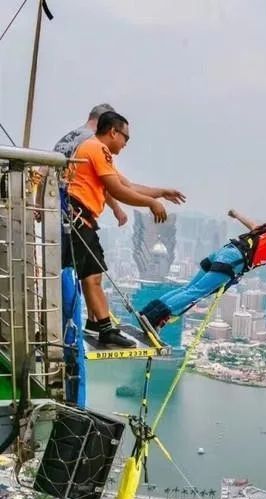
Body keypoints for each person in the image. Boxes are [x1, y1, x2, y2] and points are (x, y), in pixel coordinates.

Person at [62, 110, 186, 348]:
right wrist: (151, 203)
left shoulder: (96, 151)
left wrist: (160, 192)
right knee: (86, 276)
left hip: (81, 220)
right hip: (78, 219)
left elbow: (126, 185)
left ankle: (98, 324)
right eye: (125, 137)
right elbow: (117, 191)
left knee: (93, 276)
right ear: (113, 132)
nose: (126, 143)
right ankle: (105, 328)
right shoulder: (97, 149)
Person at [139, 208, 266, 329]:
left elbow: (251, 225)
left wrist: (235, 214)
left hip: (224, 252)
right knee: (195, 292)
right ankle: (153, 318)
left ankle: (148, 311)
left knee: (189, 288)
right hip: (233, 261)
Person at [52, 102, 128, 228]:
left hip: (54, 206)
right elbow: (108, 180)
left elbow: (44, 170)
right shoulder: (93, 142)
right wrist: (117, 209)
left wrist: (38, 204)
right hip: (73, 211)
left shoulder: (66, 139)